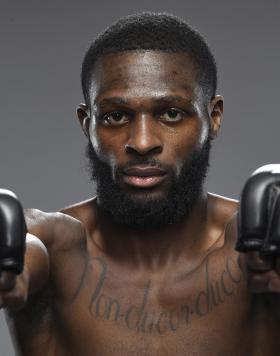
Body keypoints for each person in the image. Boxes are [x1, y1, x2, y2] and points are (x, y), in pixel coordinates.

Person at [0, 12, 279, 356]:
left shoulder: (252, 248)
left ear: (213, 117)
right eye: (116, 116)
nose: (143, 142)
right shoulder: (57, 249)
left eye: (171, 113)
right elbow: (26, 245)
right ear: (87, 124)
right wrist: (9, 250)